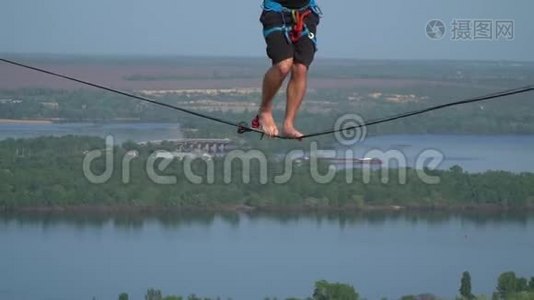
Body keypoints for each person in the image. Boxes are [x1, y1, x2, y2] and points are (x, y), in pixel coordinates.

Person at [256, 0, 321, 138]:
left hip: (306, 11)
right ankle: (265, 110)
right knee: (283, 65)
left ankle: (288, 125)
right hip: (276, 11)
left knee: (301, 67)